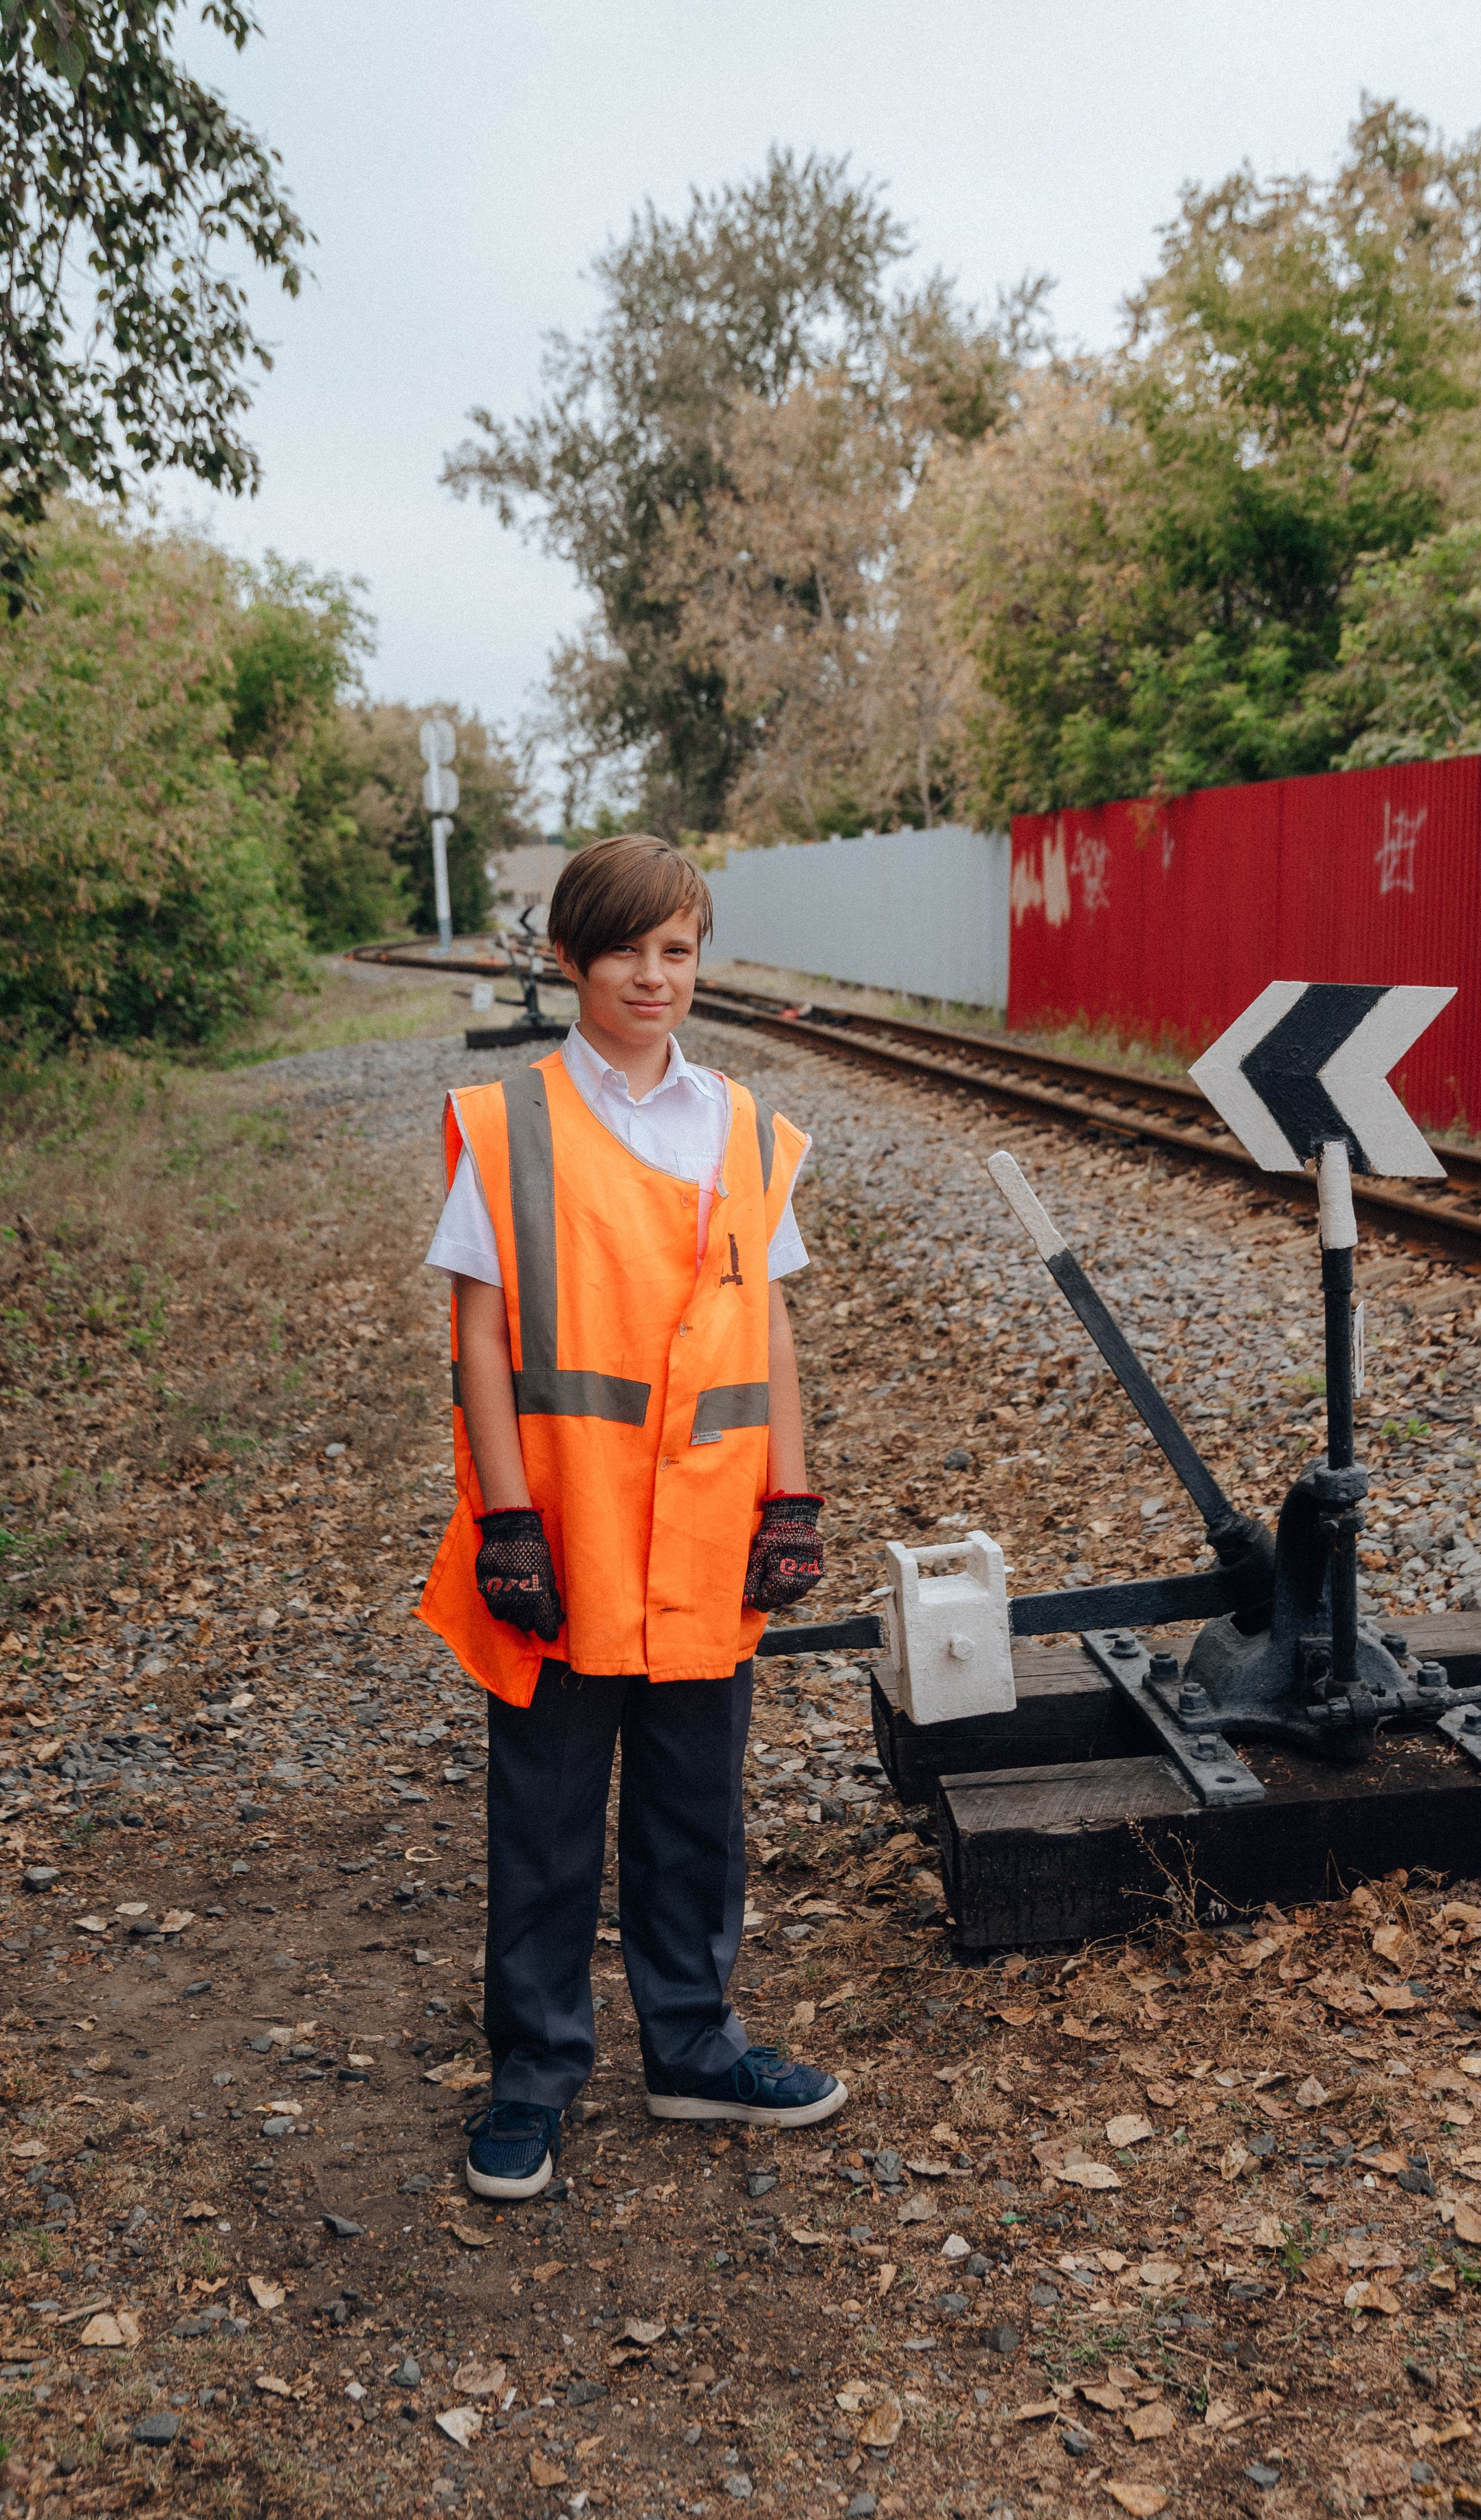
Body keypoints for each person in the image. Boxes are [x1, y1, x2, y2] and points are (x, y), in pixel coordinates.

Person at [418, 833, 846, 2201]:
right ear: (568, 961)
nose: (653, 976)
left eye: (677, 949)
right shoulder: (511, 1125)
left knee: (692, 1803)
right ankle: (534, 2074)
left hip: (709, 1533)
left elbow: (769, 1328)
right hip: (569, 1531)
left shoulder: (744, 1126)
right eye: (625, 951)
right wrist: (504, 1518)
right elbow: (479, 1339)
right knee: (545, 1815)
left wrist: (792, 1492)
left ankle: (692, 2045)